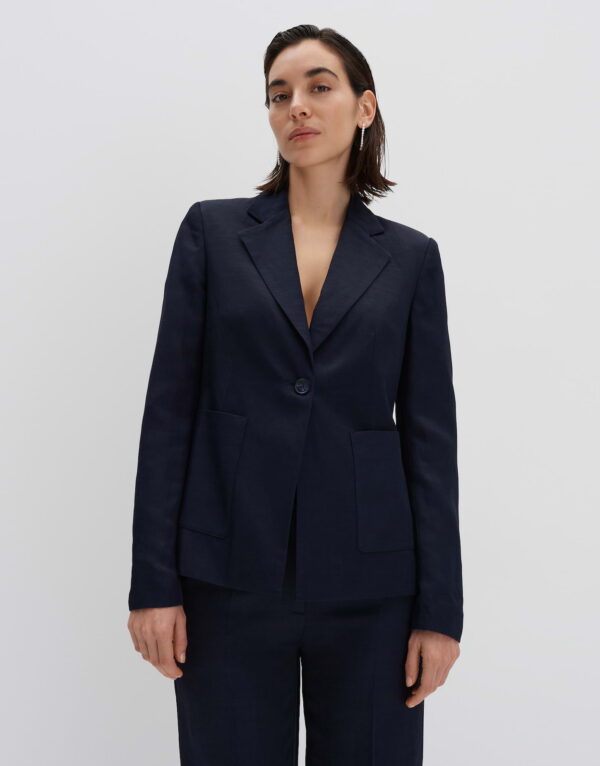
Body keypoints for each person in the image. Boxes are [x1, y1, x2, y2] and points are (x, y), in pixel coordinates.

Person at [127, 24, 463, 766]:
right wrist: (153, 584)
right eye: (279, 95)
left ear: (364, 107)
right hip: (225, 579)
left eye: (318, 86)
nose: (296, 107)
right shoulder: (213, 233)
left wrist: (440, 613)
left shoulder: (410, 258)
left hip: (374, 590)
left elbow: (431, 442)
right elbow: (169, 414)